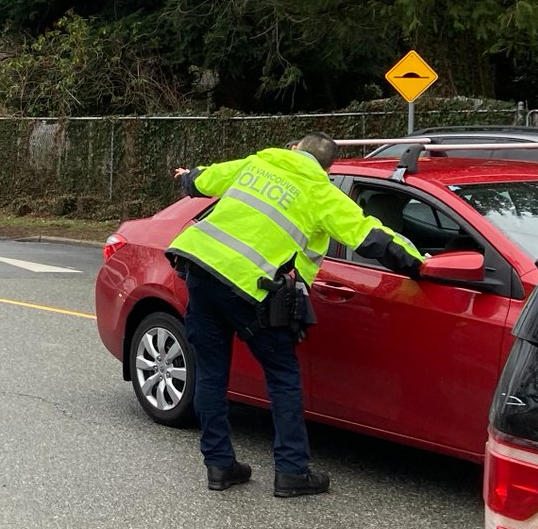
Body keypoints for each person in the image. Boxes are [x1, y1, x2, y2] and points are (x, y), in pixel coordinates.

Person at [167, 131, 422, 498]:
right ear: (327, 168)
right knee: (283, 377)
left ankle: (219, 465)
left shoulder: (260, 161)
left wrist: (187, 177)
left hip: (200, 271)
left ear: (295, 149)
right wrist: (421, 265)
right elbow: (371, 237)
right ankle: (291, 472)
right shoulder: (322, 193)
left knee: (211, 373)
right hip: (251, 290)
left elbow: (205, 179)